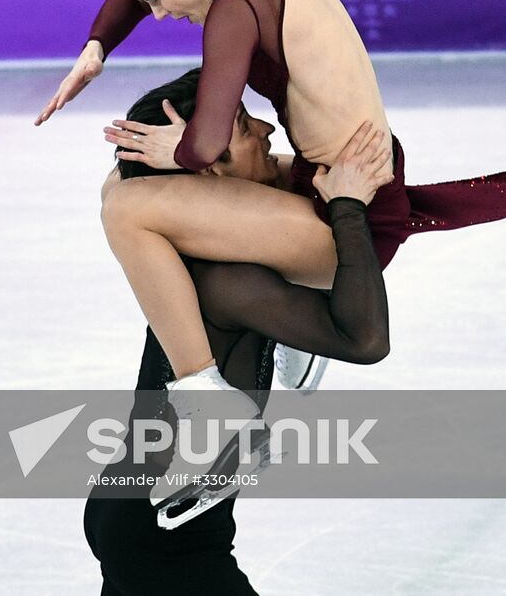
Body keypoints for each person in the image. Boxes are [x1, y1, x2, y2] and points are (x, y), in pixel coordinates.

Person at [33, 0, 506, 476]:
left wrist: (180, 151)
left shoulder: (235, 10)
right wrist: (98, 46)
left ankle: (207, 399)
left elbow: (203, 148)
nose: (159, 14)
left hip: (347, 210)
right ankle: (283, 340)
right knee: (122, 193)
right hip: (336, 179)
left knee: (127, 209)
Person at [86, 70, 394, 595]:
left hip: (150, 512)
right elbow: (365, 341)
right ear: (209, 179)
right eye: (245, 127)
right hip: (164, 533)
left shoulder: (194, 251)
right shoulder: (227, 281)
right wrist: (346, 209)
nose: (267, 131)